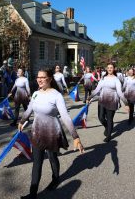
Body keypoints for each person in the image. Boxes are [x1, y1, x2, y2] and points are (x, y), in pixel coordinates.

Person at [18, 68, 84, 199]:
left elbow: (65, 116)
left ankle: (55, 179)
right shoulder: (36, 93)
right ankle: (32, 194)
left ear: (49, 79)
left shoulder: (56, 95)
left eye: (43, 77)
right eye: (38, 77)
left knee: (53, 158)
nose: (39, 79)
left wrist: (75, 137)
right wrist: (22, 120)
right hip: (37, 133)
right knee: (37, 163)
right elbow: (29, 109)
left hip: (52, 133)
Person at [88, 63, 129, 142]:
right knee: (101, 118)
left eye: (111, 67)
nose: (110, 69)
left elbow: (120, 92)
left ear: (114, 69)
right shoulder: (103, 78)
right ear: (106, 69)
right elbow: (97, 89)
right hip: (102, 100)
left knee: (109, 119)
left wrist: (126, 103)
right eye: (108, 67)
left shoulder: (116, 79)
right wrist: (90, 97)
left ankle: (109, 135)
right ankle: (107, 127)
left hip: (112, 101)